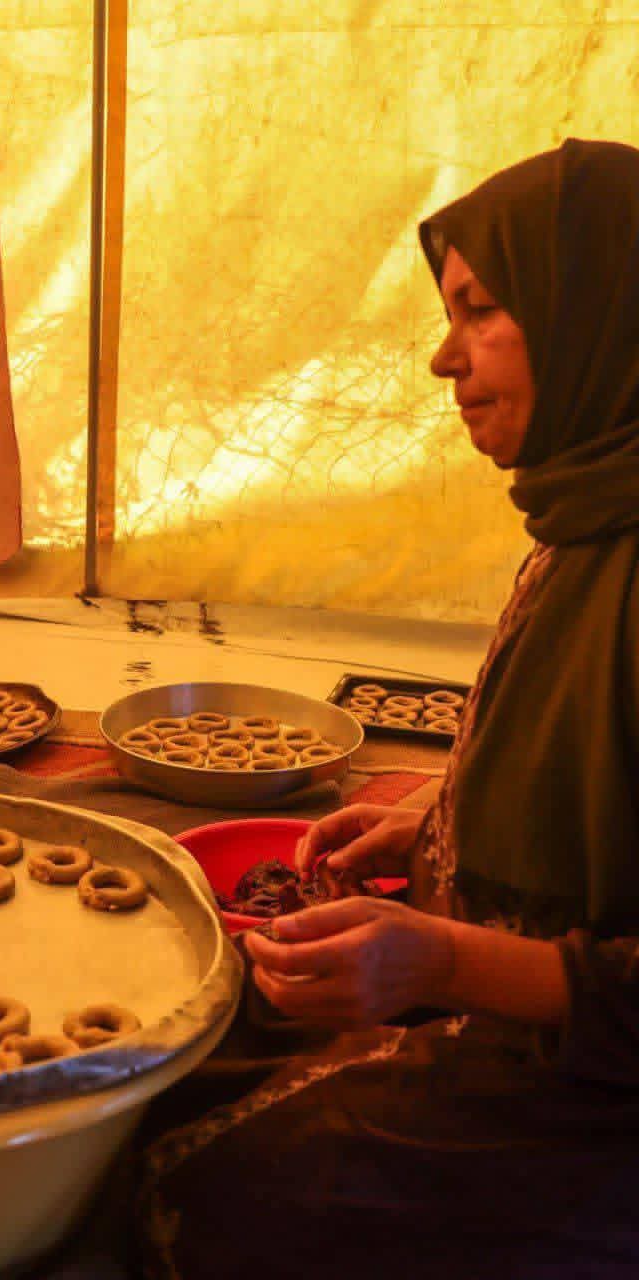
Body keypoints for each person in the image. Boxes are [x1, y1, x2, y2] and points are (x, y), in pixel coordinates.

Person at [138, 139, 639, 1277]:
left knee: (197, 1188)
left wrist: (445, 964)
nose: (440, 357)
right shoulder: (585, 511)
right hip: (510, 1018)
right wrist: (437, 819)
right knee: (168, 1038)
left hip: (597, 1093)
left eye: (481, 310)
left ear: (600, 311)